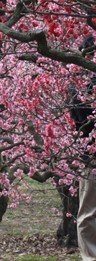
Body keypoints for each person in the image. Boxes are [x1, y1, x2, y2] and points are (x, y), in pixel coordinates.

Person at [73, 37, 96, 260]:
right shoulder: (80, 86)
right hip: (92, 154)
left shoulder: (77, 84)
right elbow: (80, 118)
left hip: (89, 155)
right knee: (89, 212)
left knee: (89, 212)